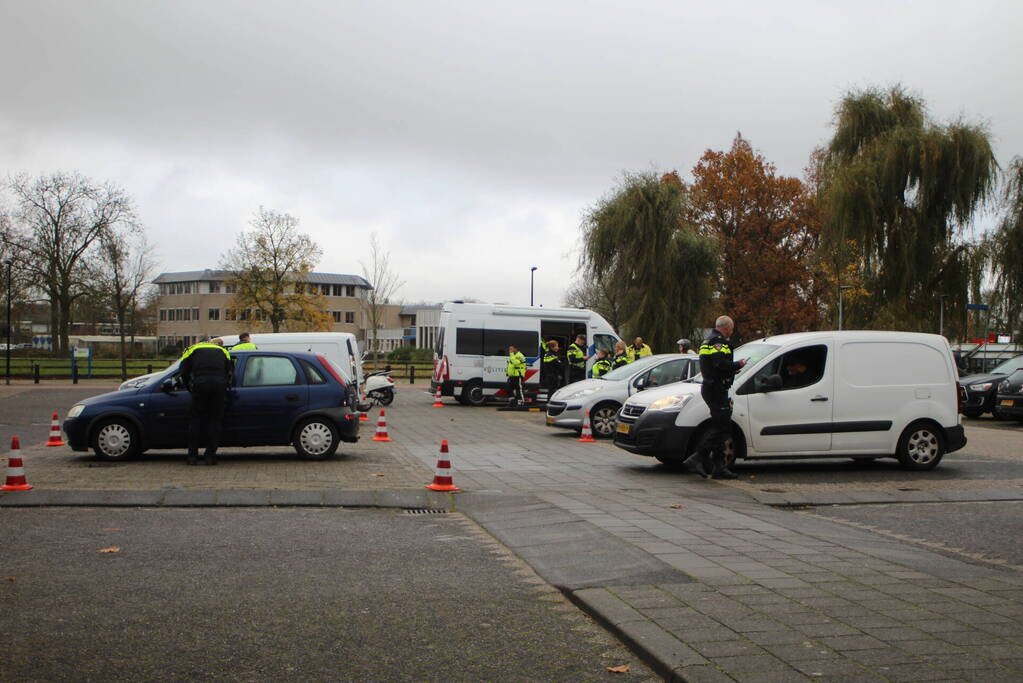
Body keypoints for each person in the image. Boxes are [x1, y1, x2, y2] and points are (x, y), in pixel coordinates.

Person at [685, 316, 746, 479]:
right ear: (725, 328)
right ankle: (697, 458)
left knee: (722, 427)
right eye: (731, 329)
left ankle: (719, 467)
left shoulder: (707, 342)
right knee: (723, 427)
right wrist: (737, 365)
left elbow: (713, 365)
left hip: (714, 387)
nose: (731, 332)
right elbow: (719, 363)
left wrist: (730, 370)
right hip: (716, 388)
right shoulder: (717, 342)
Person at [179, 336, 233, 466]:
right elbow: (230, 371)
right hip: (218, 387)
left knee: (196, 421)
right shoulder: (223, 351)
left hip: (200, 385)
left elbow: (183, 371)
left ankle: (192, 457)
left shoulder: (191, 349)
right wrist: (225, 384)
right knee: (215, 421)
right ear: (209, 341)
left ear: (198, 341)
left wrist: (189, 387)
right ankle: (210, 457)